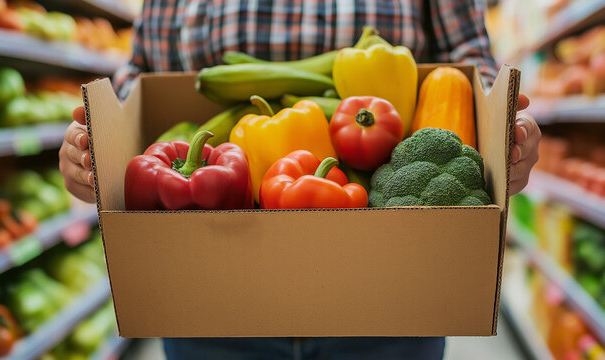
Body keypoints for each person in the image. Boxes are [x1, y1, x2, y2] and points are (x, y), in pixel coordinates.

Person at [59, 0, 541, 358]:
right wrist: (101, 142)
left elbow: (469, 60)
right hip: (211, 301)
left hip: (390, 300)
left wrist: (503, 128)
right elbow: (141, 73)